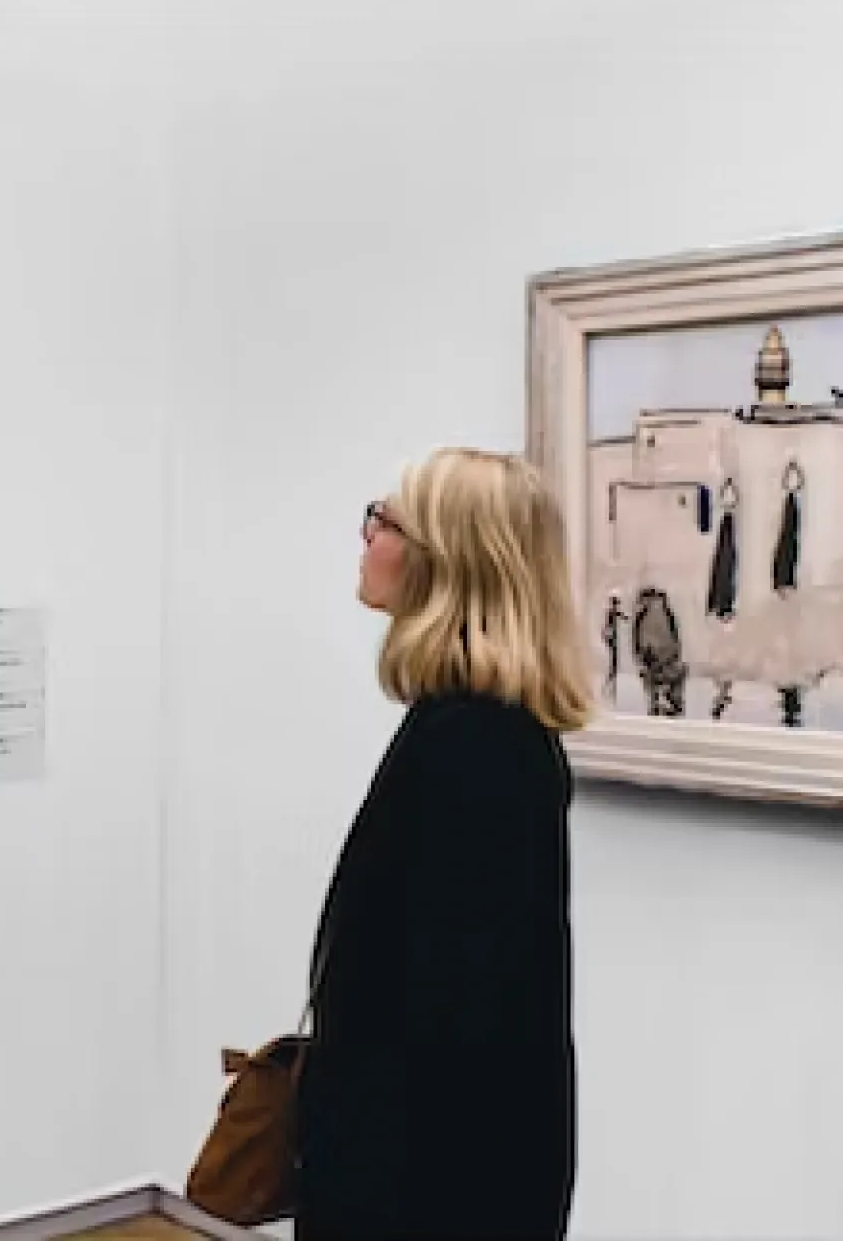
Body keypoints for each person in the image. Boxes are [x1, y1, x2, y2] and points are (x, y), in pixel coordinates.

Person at [294, 447, 591, 1241]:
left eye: (384, 521)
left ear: (444, 563)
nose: (366, 537)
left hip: (423, 1194)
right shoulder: (465, 727)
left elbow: (463, 1030)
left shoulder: (480, 748)